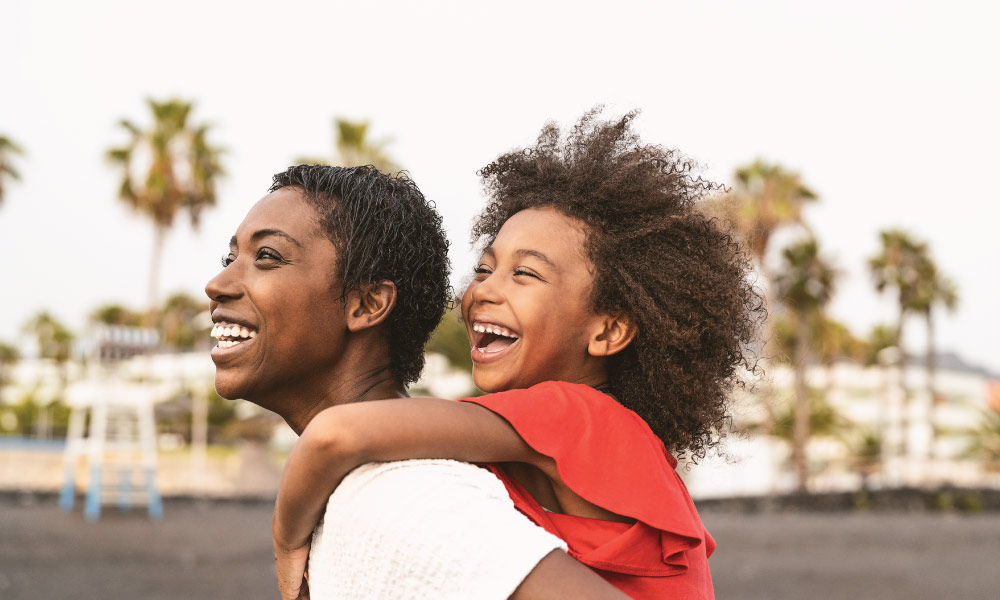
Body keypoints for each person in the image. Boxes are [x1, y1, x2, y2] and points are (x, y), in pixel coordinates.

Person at [273, 110, 763, 599]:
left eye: (525, 274)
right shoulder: (599, 434)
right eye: (484, 269)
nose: (484, 290)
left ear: (608, 330)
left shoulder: (573, 414)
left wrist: (287, 541)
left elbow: (335, 435)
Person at [205, 164, 628, 600]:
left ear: (368, 303)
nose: (216, 284)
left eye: (267, 256)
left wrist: (285, 536)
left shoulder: (413, 501)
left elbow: (335, 436)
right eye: (230, 258)